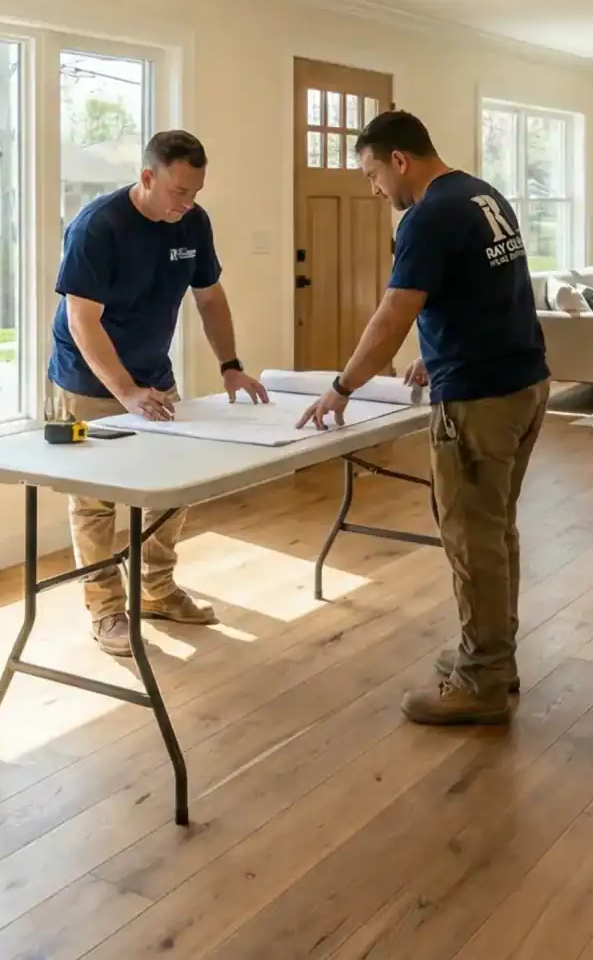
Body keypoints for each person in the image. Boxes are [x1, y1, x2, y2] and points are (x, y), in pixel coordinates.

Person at [297, 110, 549, 724]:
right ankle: (493, 658)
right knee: (495, 529)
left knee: (471, 536)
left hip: (479, 399)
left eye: (372, 174)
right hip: (524, 382)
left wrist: (342, 386)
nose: (373, 188)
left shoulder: (428, 216)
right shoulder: (482, 195)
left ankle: (481, 680)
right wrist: (436, 355)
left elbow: (393, 314)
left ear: (399, 160)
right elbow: (487, 297)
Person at [53, 129, 269, 656]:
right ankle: (106, 610)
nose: (187, 202)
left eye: (195, 191)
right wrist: (126, 392)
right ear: (147, 177)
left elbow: (210, 298)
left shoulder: (193, 222)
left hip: (153, 375)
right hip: (88, 382)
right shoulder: (98, 227)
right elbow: (82, 321)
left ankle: (156, 589)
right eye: (178, 191)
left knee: (171, 489)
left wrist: (231, 366)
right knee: (95, 501)